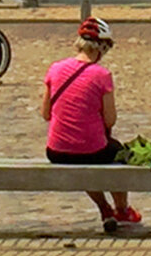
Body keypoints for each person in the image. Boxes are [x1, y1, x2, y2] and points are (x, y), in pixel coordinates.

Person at [40, 16, 138, 233]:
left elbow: (45, 113)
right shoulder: (102, 75)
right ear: (101, 47)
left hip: (56, 150)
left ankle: (104, 208)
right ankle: (122, 209)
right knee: (117, 154)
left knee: (78, 158)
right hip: (92, 150)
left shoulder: (55, 69)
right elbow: (110, 120)